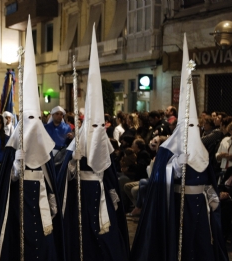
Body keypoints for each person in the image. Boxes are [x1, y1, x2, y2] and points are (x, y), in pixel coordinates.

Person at [130, 34, 228, 261]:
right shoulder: (167, 150)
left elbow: (209, 177)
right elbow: (157, 179)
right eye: (189, 125)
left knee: (201, 244)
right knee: (179, 245)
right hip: (176, 205)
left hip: (199, 206)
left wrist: (212, 196)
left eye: (195, 125)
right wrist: (174, 167)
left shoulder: (202, 150)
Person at [0, 18, 65, 261]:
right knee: (17, 241)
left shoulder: (43, 146)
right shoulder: (12, 148)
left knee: (42, 243)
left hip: (40, 199)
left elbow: (49, 174)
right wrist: (15, 170)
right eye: (29, 119)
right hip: (17, 202)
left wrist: (52, 197)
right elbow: (6, 181)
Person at [58, 26, 129, 261]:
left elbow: (109, 174)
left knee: (106, 236)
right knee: (83, 238)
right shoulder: (78, 142)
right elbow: (63, 177)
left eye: (102, 126)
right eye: (94, 127)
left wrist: (113, 192)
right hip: (80, 195)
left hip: (100, 194)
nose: (98, 132)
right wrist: (71, 164)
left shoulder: (104, 143)